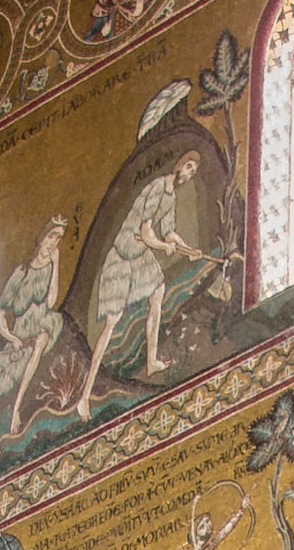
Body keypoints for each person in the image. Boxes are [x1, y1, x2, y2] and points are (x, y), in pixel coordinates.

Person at [77, 152, 204, 419]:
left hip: (140, 255)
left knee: (157, 292)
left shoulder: (171, 195)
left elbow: (168, 232)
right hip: (122, 258)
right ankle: (84, 396)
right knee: (112, 323)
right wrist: (164, 246)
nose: (189, 173)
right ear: (180, 164)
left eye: (193, 172)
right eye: (189, 167)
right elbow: (147, 234)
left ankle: (151, 361)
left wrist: (188, 249)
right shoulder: (158, 187)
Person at [0, 217, 68, 460]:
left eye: (59, 238)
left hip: (41, 322)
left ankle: (18, 407)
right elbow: (0, 314)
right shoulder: (21, 273)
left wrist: (57, 264)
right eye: (52, 236)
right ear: (42, 237)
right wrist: (12, 337)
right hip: (18, 333)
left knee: (41, 340)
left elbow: (50, 302)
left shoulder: (51, 266)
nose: (54, 242)